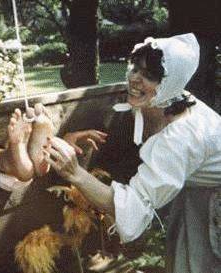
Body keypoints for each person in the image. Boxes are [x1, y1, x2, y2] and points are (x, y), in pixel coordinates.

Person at [45, 33, 221, 273]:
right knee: (185, 260)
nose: (135, 79)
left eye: (148, 76)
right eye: (135, 68)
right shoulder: (167, 98)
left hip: (215, 195)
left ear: (169, 83)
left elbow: (133, 208)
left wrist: (75, 173)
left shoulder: (181, 138)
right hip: (199, 188)